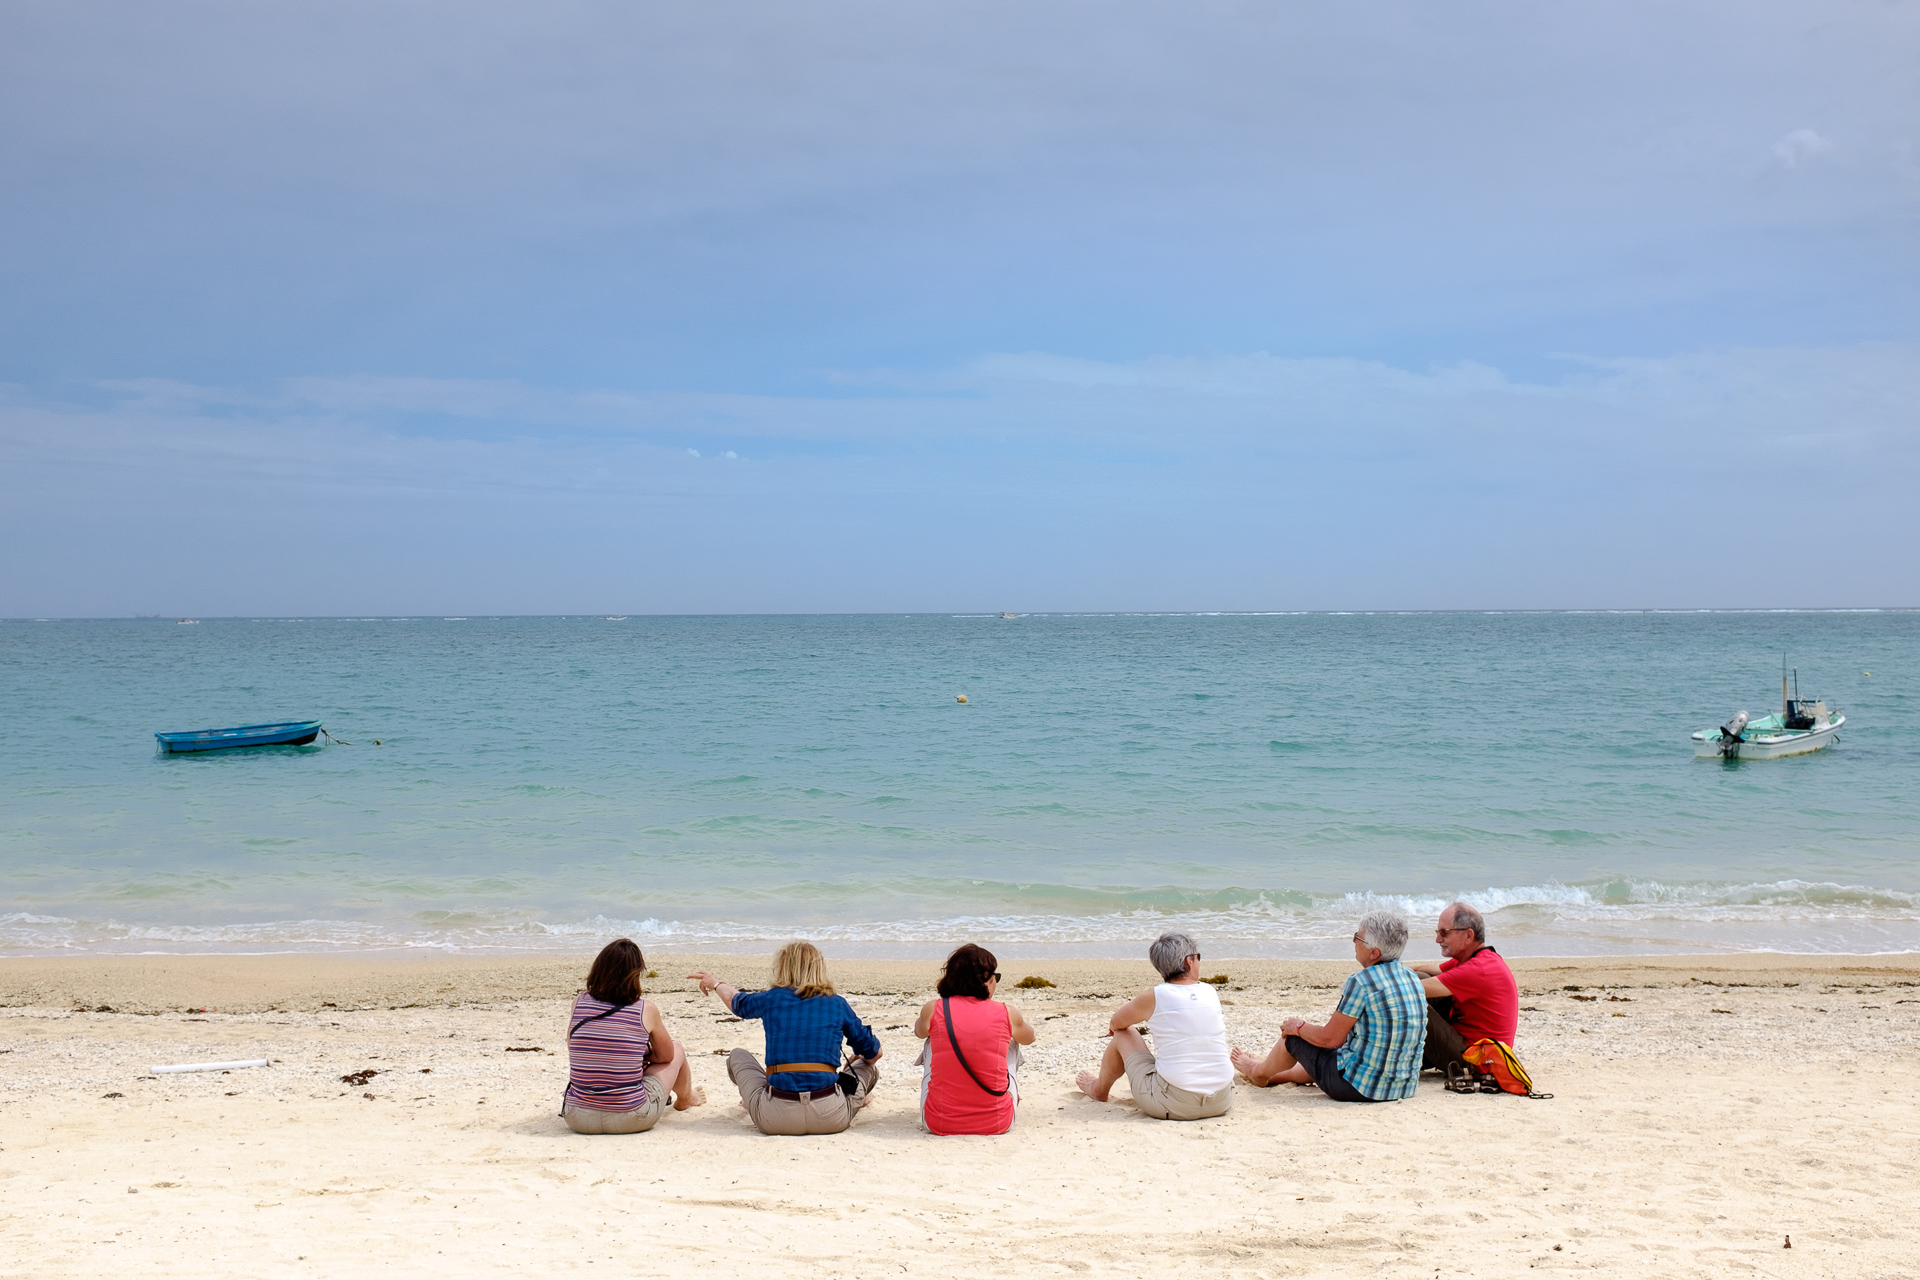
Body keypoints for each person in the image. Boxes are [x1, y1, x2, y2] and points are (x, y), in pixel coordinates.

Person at [688, 941, 882, 1136]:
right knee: (868, 1067)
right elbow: (875, 1053)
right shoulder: (837, 1003)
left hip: (775, 1118)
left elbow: (734, 1000)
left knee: (737, 1055)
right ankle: (860, 1096)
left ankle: (753, 1099)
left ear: (783, 967)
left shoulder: (772, 998)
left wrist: (715, 982)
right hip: (830, 1117)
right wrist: (855, 1062)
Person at [1230, 910, 1426, 1103]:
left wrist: (1298, 1027)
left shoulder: (1362, 981)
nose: (1354, 941)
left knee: (1293, 1038)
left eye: (1358, 937)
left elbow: (1330, 1039)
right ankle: (1277, 1076)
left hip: (1360, 1087)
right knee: (1327, 1050)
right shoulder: (1411, 977)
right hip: (1404, 1086)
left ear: (1374, 953)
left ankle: (1258, 1072)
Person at [1075, 932, 1234, 1121]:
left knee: (1124, 1033)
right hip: (1222, 1100)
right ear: (1188, 962)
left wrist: (1116, 1028)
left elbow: (1117, 1022)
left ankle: (1099, 1089)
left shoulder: (1156, 995)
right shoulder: (1210, 991)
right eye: (1197, 957)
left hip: (1174, 1105)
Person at [561, 937, 705, 1134]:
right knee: (677, 1048)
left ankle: (684, 1096)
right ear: (635, 975)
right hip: (631, 1117)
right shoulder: (645, 1009)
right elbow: (666, 1056)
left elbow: (573, 1047)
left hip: (578, 1117)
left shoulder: (578, 1003)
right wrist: (642, 1055)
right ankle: (686, 1098)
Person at [912, 943, 1037, 1135]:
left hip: (938, 1122)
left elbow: (919, 1031)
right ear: (986, 979)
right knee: (1012, 1040)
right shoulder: (1006, 1013)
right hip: (998, 1122)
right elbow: (1029, 1038)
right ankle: (1008, 1094)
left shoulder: (934, 1009)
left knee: (931, 1039)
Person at [1405, 901, 1519, 1069]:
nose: (1438, 939)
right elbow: (1425, 970)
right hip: (1469, 1046)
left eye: (1444, 932)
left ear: (1468, 935)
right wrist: (1397, 970)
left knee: (1410, 998)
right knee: (1418, 976)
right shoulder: (1475, 959)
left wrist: (1372, 980)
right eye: (1438, 932)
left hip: (1478, 1061)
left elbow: (1408, 990)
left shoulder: (1479, 969)